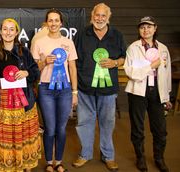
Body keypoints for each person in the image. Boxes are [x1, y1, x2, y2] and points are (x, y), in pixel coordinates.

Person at [72, 3, 126, 171]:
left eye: (103, 16)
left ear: (108, 17)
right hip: (84, 87)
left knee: (107, 123)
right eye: (97, 15)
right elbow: (73, 59)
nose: (100, 18)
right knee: (84, 122)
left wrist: (115, 62)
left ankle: (108, 156)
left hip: (108, 90)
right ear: (92, 16)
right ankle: (85, 154)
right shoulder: (81, 34)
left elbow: (124, 57)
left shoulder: (117, 35)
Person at [0, 18, 41, 172]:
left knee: (24, 134)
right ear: (1, 31)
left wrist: (27, 72)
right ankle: (9, 165)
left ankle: (26, 165)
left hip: (23, 99)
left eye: (12, 29)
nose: (8, 32)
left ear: (17, 32)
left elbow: (35, 71)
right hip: (4, 101)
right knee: (7, 136)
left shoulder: (24, 51)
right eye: (5, 29)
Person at [31, 9, 78, 172]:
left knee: (61, 129)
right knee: (50, 128)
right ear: (46, 23)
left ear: (61, 23)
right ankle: (49, 162)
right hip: (46, 89)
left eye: (56, 20)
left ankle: (59, 161)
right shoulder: (39, 42)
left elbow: (72, 67)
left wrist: (74, 92)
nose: (53, 23)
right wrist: (44, 62)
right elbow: (33, 69)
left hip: (65, 89)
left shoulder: (68, 42)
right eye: (50, 20)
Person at [124, 16, 171, 172]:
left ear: (155, 28)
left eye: (149, 27)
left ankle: (159, 158)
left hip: (157, 92)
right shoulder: (133, 48)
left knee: (160, 129)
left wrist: (167, 95)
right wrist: (152, 66)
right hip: (138, 92)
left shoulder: (163, 49)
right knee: (138, 128)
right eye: (142, 27)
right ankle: (140, 158)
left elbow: (167, 73)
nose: (146, 30)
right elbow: (131, 73)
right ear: (139, 30)